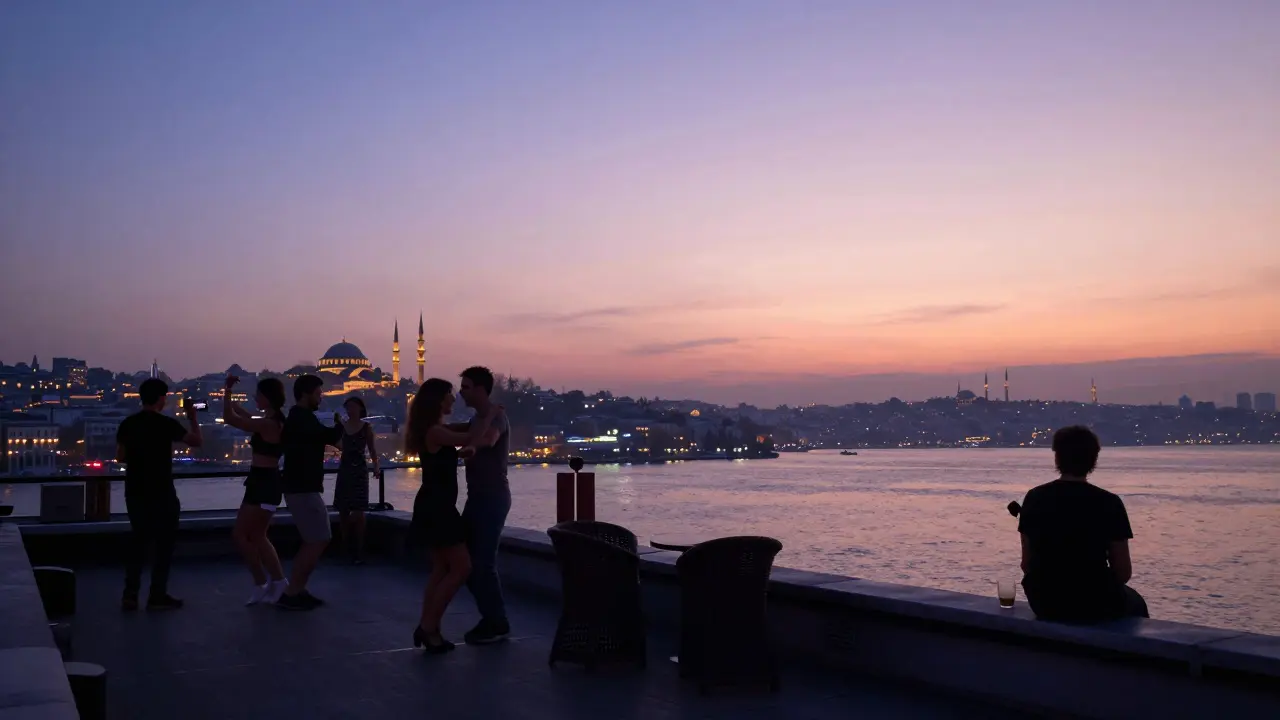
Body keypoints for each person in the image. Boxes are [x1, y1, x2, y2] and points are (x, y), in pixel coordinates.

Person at [405, 378, 504, 652]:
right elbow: (473, 438)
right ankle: (428, 627)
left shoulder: (434, 430)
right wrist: (492, 414)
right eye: (449, 395)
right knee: (462, 568)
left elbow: (466, 430)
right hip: (438, 507)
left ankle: (429, 627)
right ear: (438, 400)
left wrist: (480, 419)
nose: (453, 399)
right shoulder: (436, 433)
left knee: (440, 569)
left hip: (433, 504)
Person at [1018, 425, 1149, 623]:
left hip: (1044, 600)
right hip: (1095, 601)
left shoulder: (1034, 497)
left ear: (1057, 457)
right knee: (1137, 603)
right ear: (1093, 459)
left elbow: (1027, 564)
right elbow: (1122, 572)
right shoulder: (1109, 502)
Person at [116, 378, 203, 611]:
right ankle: (157, 594)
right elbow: (196, 441)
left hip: (134, 490)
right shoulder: (167, 424)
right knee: (164, 545)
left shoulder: (128, 424)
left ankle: (130, 594)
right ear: (161, 398)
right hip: (162, 490)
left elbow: (120, 457)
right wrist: (193, 418)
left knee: (138, 542)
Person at [455, 366, 513, 644]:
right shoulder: (476, 419)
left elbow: (484, 443)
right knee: (465, 562)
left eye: (465, 387)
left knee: (483, 563)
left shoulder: (497, 418)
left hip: (493, 498)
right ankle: (492, 618)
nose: (461, 392)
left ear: (480, 389)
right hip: (477, 498)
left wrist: (488, 417)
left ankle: (496, 621)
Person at [277, 374, 344, 611]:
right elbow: (328, 437)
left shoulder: (300, 418)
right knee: (318, 538)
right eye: (318, 393)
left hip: (301, 487)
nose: (321, 398)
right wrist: (339, 426)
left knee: (313, 539)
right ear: (306, 394)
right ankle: (292, 591)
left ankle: (297, 589)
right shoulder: (301, 418)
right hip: (303, 488)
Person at [222, 374, 289, 605]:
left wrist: (228, 391)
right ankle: (271, 581)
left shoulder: (269, 424)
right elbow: (246, 416)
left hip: (265, 482)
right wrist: (232, 402)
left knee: (245, 535)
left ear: (268, 398)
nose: (255, 398)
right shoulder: (272, 421)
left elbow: (229, 418)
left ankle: (268, 581)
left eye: (258, 395)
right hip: (262, 481)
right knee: (256, 535)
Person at [333, 396, 379, 565]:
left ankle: (358, 550)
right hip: (345, 470)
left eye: (353, 406)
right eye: (348, 407)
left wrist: (376, 467)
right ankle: (345, 548)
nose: (350, 410)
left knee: (359, 512)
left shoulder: (366, 427)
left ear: (360, 408)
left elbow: (372, 450)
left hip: (359, 470)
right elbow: (339, 445)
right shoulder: (343, 427)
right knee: (343, 512)